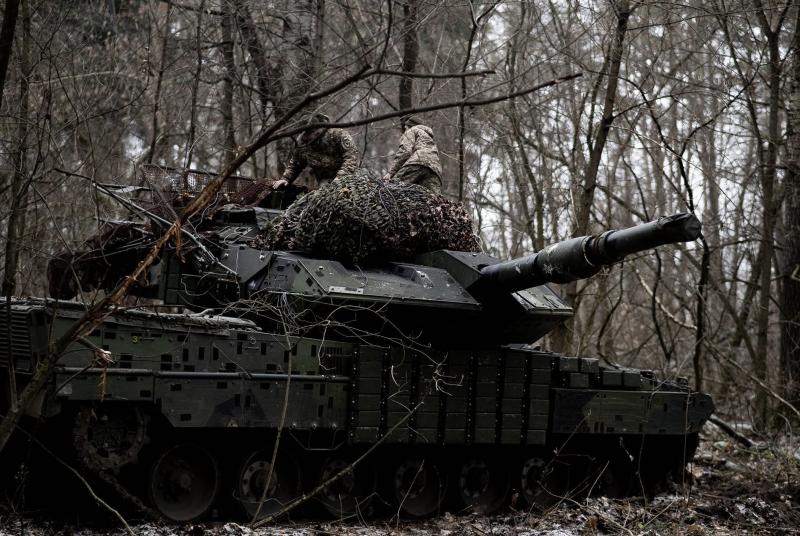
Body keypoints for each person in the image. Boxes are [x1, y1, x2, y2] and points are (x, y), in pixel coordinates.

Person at [272, 113, 358, 189]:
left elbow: (351, 158)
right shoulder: (303, 145)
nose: (305, 137)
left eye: (308, 133)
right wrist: (286, 179)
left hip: (349, 178)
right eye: (302, 133)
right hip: (325, 182)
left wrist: (340, 178)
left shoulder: (337, 135)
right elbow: (295, 165)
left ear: (318, 130)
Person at [383, 119, 443, 193]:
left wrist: (390, 173)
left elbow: (405, 152)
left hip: (418, 161)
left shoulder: (412, 130)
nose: (405, 131)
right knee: (432, 198)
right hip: (435, 169)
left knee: (392, 189)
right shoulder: (429, 138)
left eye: (405, 128)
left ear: (408, 126)